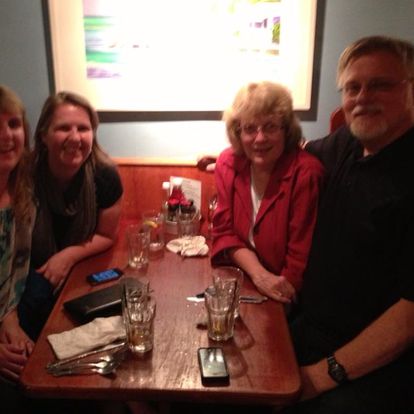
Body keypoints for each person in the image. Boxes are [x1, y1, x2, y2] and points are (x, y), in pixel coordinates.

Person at [282, 36, 414, 414]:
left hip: (376, 363)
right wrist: (235, 159)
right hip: (310, 328)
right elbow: (296, 153)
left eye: (380, 85)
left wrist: (323, 374)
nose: (362, 98)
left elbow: (408, 318)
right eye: (352, 88)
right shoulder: (346, 141)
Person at [21, 92, 123, 340]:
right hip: (25, 273)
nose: (75, 137)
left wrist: (67, 256)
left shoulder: (105, 175)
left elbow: (106, 235)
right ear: (44, 135)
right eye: (63, 128)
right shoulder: (22, 176)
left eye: (83, 128)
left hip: (79, 270)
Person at [211, 81, 324, 304]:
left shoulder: (306, 174)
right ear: (238, 132)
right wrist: (259, 275)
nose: (260, 138)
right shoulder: (227, 163)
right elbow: (223, 232)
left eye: (270, 127)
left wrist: (274, 296)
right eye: (250, 128)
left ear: (286, 130)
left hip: (287, 297)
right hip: (243, 281)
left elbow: (298, 264)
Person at [0, 85, 35, 384]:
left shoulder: (22, 192)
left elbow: (15, 269)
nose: (6, 136)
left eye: (13, 124)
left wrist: (9, 317)